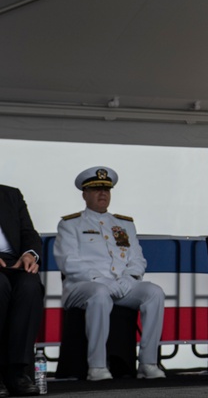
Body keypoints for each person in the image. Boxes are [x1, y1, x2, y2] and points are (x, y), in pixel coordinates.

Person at [54, 167, 166, 381]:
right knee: (99, 294)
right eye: (96, 189)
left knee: (154, 292)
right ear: (84, 194)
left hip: (120, 285)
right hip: (83, 286)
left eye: (106, 189)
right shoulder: (70, 224)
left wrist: (130, 278)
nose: (102, 193)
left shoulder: (124, 224)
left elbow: (137, 259)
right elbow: (68, 262)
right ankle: (97, 366)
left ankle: (148, 363)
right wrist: (100, 280)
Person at [0, 185, 44, 397]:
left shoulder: (11, 195)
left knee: (30, 286)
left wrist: (30, 254)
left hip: (13, 261)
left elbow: (29, 232)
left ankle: (17, 371)